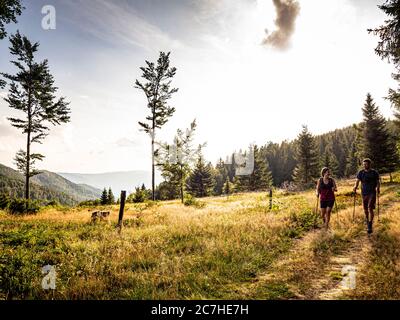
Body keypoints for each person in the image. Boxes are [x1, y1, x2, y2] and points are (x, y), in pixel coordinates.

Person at [353, 158, 380, 234]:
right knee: (365, 209)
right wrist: (355, 187)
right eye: (363, 164)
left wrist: (378, 188)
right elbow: (357, 181)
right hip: (364, 193)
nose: (364, 165)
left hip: (372, 192)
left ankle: (370, 224)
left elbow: (378, 182)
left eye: (366, 164)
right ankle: (367, 220)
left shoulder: (374, 172)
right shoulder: (361, 173)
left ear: (369, 164)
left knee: (370, 207)